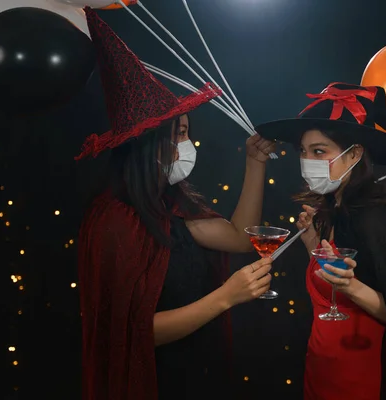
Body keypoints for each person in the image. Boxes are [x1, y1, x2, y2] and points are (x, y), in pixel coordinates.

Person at [76, 8, 275, 400]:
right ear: (147, 145)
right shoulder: (116, 220)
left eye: (186, 132)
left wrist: (255, 163)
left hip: (200, 373)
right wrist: (226, 296)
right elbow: (133, 333)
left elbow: (239, 238)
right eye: (178, 134)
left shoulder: (175, 207)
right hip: (155, 383)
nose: (186, 144)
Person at [256, 82, 386, 400]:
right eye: (303, 151)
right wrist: (314, 246)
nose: (306, 160)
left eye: (319, 151)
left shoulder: (377, 219)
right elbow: (331, 288)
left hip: (360, 381)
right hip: (320, 373)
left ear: (354, 153)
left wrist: (351, 287)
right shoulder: (332, 211)